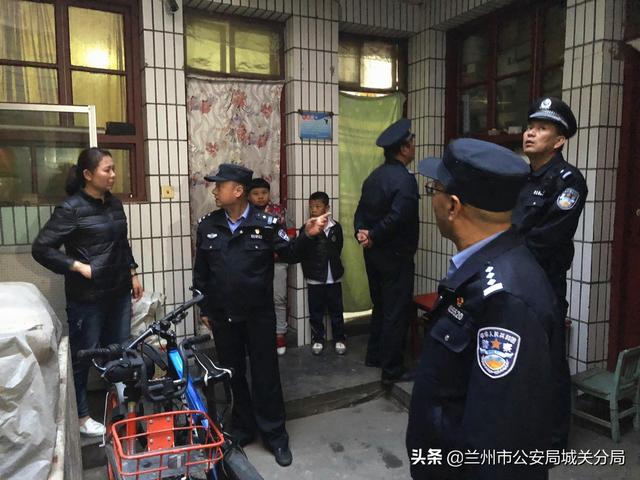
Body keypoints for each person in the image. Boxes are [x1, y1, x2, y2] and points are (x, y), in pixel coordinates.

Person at [406, 138, 557, 480]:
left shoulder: (507, 298)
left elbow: (501, 442)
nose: (432, 199)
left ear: (453, 206)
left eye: (434, 189)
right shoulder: (481, 267)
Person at [193, 163, 328, 467]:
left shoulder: (266, 223)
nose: (215, 191)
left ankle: (275, 435)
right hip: (224, 316)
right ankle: (243, 427)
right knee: (233, 373)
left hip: (258, 315)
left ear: (237, 191)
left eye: (220, 186)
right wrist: (205, 308)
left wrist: (307, 235)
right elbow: (201, 273)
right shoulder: (208, 225)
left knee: (266, 375)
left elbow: (290, 253)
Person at [32, 147, 143, 436]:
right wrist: (77, 266)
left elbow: (122, 243)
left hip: (118, 292)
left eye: (114, 169)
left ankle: (122, 410)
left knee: (120, 351)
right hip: (87, 299)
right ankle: (82, 417)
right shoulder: (70, 209)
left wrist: (132, 272)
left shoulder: (114, 204)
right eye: (107, 169)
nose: (114, 174)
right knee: (84, 357)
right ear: (88, 174)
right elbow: (41, 248)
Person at [512, 97, 587, 450]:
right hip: (515, 282)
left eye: (541, 128)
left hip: (544, 285)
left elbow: (547, 237)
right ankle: (524, 427)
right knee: (519, 357)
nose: (530, 133)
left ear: (559, 140)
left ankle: (555, 440)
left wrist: (505, 255)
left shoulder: (568, 180)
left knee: (550, 360)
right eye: (529, 126)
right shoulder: (521, 177)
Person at [353, 118, 419, 387]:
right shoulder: (405, 180)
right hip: (395, 256)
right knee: (395, 310)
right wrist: (375, 235)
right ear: (403, 149)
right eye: (412, 142)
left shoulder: (374, 176)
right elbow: (398, 217)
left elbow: (360, 210)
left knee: (380, 305)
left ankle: (375, 355)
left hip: (373, 255)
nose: (414, 146)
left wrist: (362, 233)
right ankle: (392, 368)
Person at [297, 191, 346, 356]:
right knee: (316, 312)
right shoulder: (307, 228)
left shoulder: (335, 227)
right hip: (315, 277)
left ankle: (340, 338)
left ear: (327, 208)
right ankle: (318, 339)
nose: (314, 210)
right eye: (311, 207)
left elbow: (338, 247)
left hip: (334, 277)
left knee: (336, 310)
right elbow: (301, 250)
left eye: (318, 206)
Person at [248, 177, 289, 356]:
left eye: (264, 193)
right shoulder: (245, 212)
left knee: (279, 298)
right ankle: (258, 337)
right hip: (254, 264)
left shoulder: (277, 211)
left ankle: (280, 334)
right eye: (256, 193)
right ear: (248, 195)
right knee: (255, 300)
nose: (260, 197)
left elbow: (284, 237)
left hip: (277, 261)